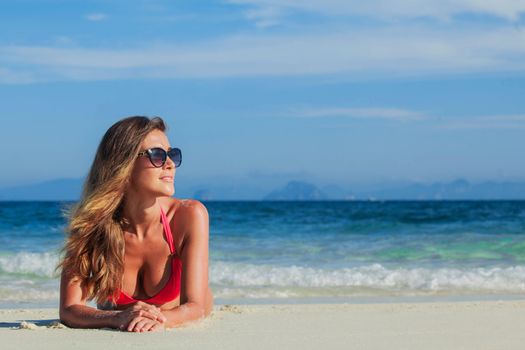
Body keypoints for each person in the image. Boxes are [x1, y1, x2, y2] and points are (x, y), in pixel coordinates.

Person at [57, 116, 213, 332]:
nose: (169, 164)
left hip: (168, 322)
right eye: (157, 155)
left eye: (172, 154)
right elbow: (69, 309)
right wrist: (116, 317)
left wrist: (158, 319)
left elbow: (196, 308)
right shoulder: (91, 225)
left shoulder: (188, 216)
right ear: (123, 165)